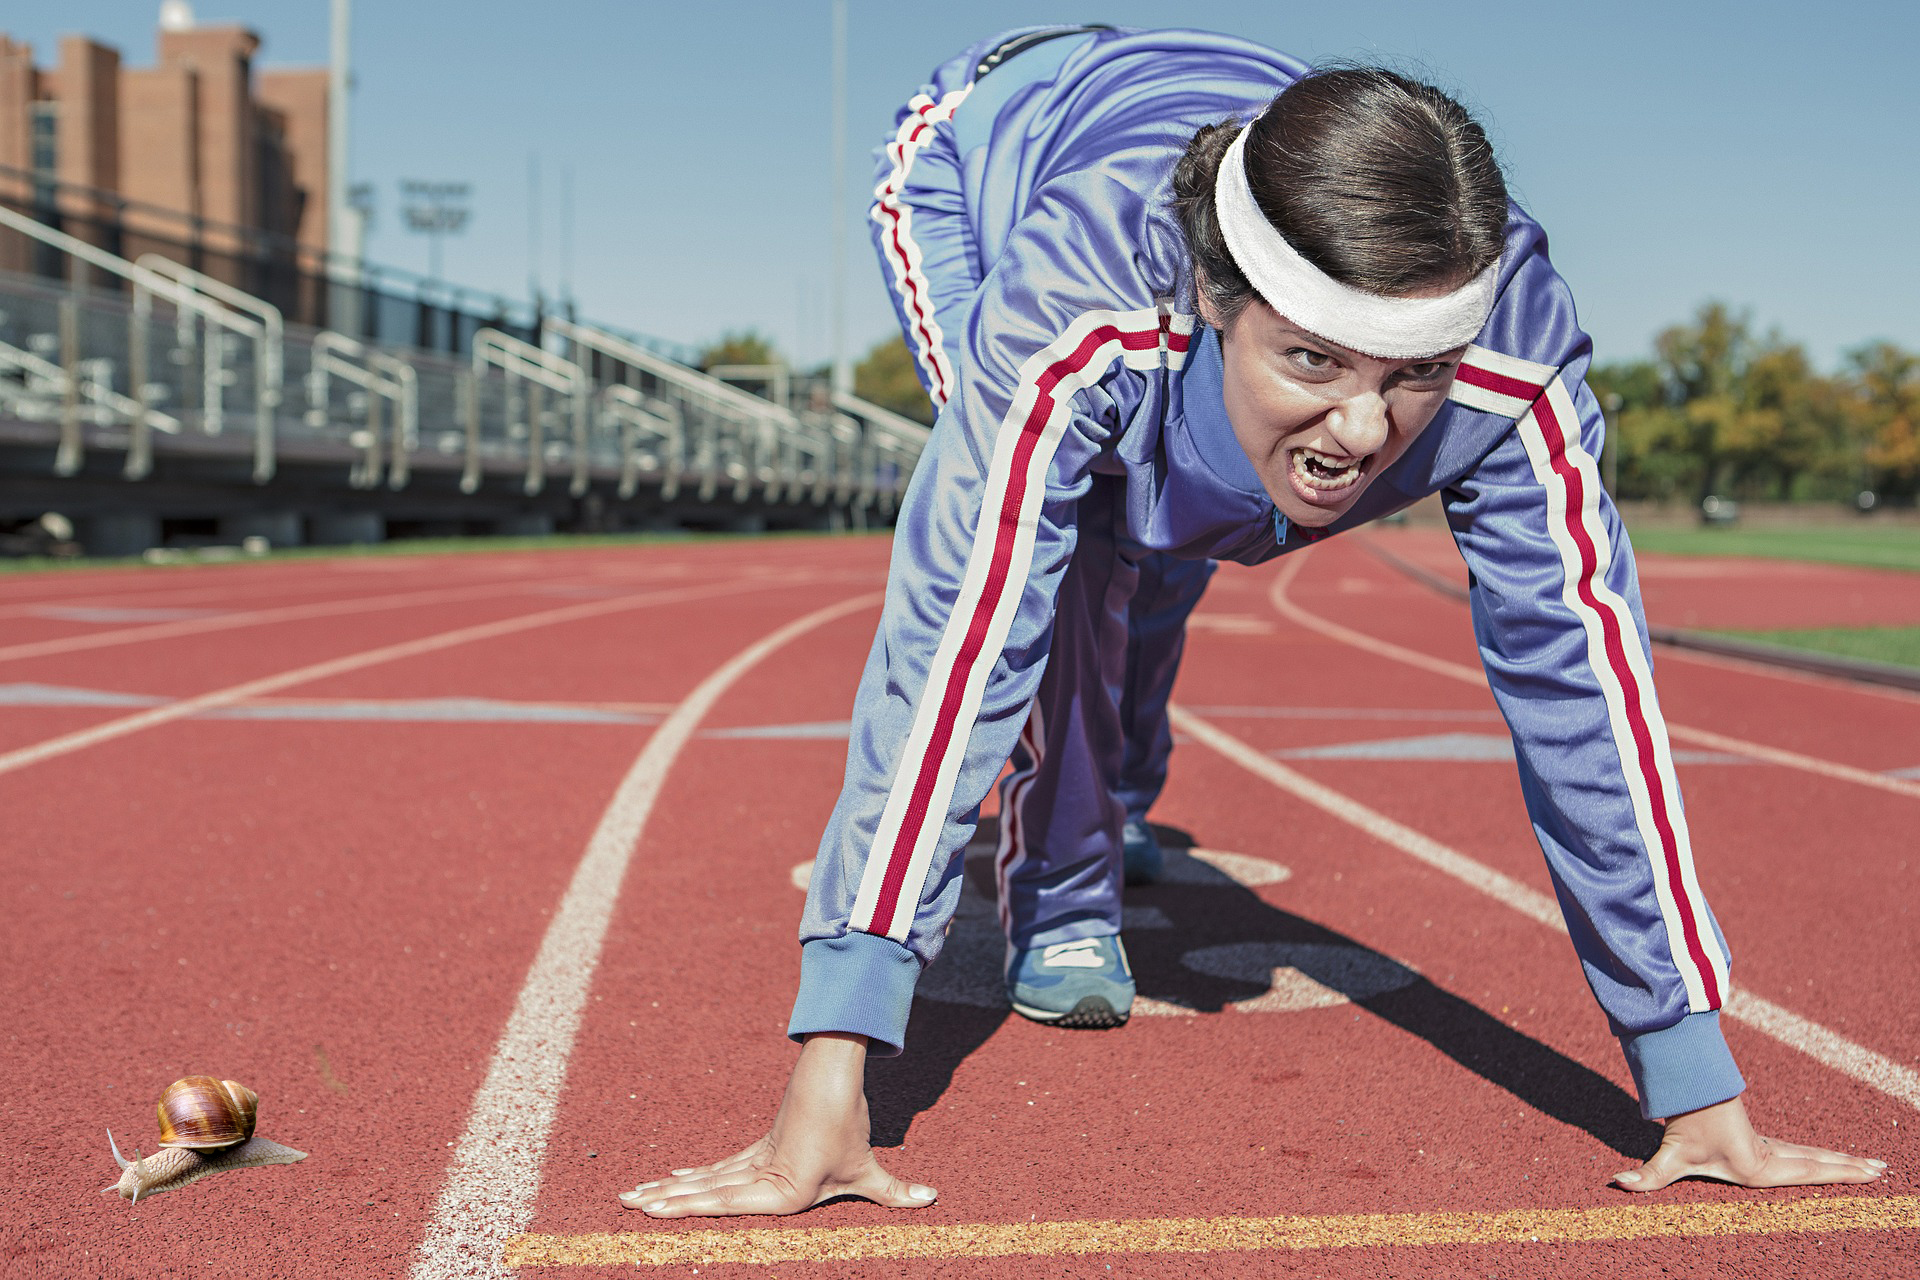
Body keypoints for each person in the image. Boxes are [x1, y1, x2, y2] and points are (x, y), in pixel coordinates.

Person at [622, 26, 1885, 1216]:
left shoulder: (1516, 358)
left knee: (1182, 529)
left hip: (1230, 145)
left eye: (1414, 377)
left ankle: (1120, 785)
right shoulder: (1080, 301)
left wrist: (1695, 1078)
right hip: (984, 149)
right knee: (1067, 554)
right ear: (1224, 299)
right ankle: (1063, 888)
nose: (1363, 432)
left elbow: (1588, 695)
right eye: (1317, 363)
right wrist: (833, 1074)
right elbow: (957, 639)